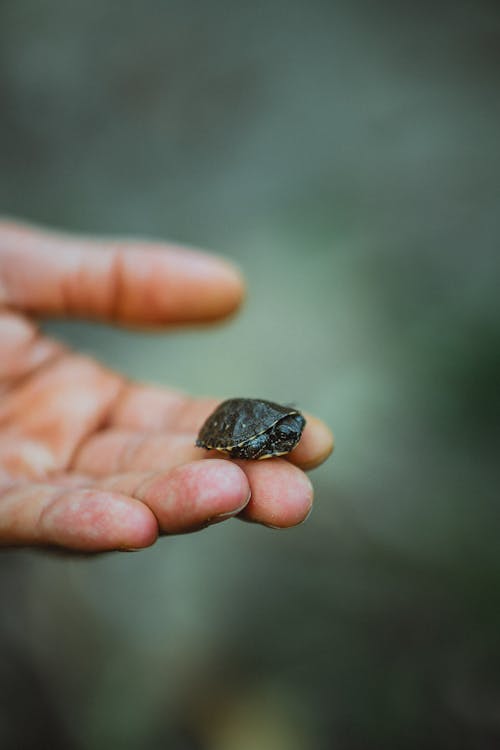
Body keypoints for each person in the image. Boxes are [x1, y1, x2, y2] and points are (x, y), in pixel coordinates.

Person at [0, 218, 333, 552]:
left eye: (290, 431)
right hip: (232, 420)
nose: (293, 435)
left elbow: (293, 421)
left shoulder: (289, 425)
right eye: (287, 432)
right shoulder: (262, 440)